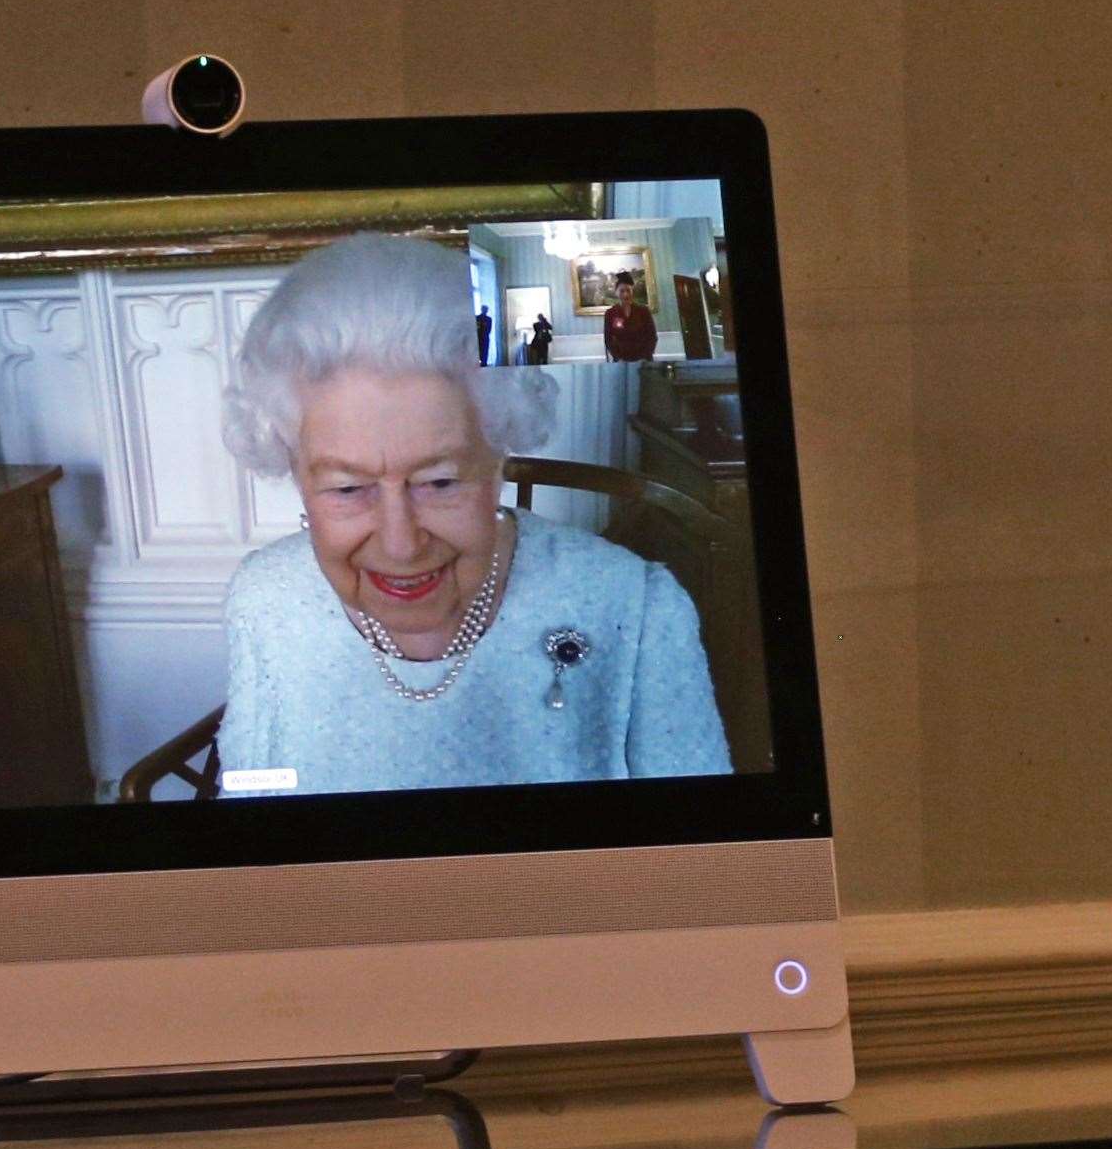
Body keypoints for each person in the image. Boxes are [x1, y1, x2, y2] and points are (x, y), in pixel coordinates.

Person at [216, 232, 729, 796]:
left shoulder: (635, 608)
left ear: (499, 457)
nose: (401, 544)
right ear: (296, 473)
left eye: (439, 482)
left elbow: (704, 861)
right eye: (347, 488)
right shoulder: (263, 599)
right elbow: (250, 795)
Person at [603, 271, 658, 362]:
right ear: (616, 292)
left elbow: (652, 337)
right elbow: (608, 340)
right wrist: (618, 357)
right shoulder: (610, 313)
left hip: (643, 360)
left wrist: (644, 357)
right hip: (621, 361)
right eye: (622, 291)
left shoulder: (644, 311)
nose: (625, 294)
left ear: (632, 291)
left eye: (628, 290)